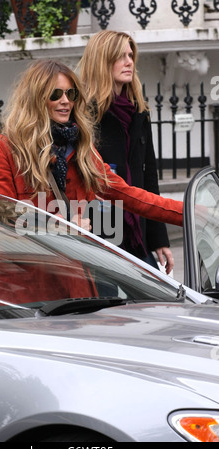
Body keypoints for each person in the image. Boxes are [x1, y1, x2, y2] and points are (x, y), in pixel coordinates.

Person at [0, 60, 183, 304]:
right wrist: (64, 226)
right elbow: (0, 231)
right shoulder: (4, 149)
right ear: (35, 98)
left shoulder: (81, 150)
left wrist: (189, 214)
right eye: (55, 94)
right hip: (20, 293)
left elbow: (130, 195)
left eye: (71, 93)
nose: (65, 101)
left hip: (74, 288)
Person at [78, 30, 174, 275]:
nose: (129, 62)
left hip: (137, 229)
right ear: (102, 61)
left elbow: (149, 178)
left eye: (131, 55)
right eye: (120, 56)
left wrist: (159, 239)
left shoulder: (138, 111)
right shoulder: (83, 114)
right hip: (99, 231)